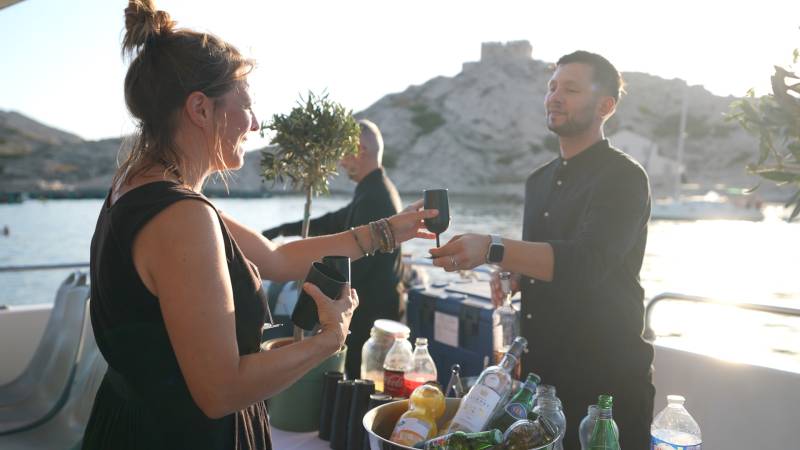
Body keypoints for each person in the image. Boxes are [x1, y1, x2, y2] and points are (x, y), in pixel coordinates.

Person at [82, 2, 437, 449]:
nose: (256, 123)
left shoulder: (138, 188)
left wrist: (388, 230)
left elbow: (275, 258)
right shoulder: (180, 216)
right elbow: (221, 390)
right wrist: (330, 339)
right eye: (246, 106)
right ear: (200, 109)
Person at [429, 51, 654, 450]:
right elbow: (546, 260)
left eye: (570, 88)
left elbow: (586, 263)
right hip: (541, 381)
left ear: (606, 106)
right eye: (551, 87)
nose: (554, 96)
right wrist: (515, 274)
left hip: (605, 386)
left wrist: (493, 249)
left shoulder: (624, 176)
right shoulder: (538, 181)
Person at [262, 119, 406, 378]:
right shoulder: (370, 188)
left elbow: (360, 263)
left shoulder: (376, 197)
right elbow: (334, 221)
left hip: (372, 312)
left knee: (361, 380)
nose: (340, 162)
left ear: (360, 149)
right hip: (373, 305)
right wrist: (284, 228)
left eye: (343, 154)